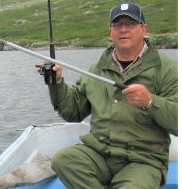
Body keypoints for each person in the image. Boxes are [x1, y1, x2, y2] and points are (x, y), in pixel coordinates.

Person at [39, 2, 178, 189]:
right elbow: (72, 112)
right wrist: (56, 83)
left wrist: (150, 102)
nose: (123, 30)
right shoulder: (96, 70)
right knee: (64, 160)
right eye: (117, 25)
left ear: (144, 29)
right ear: (110, 32)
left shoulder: (168, 69)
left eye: (130, 23)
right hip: (99, 153)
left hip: (143, 160)